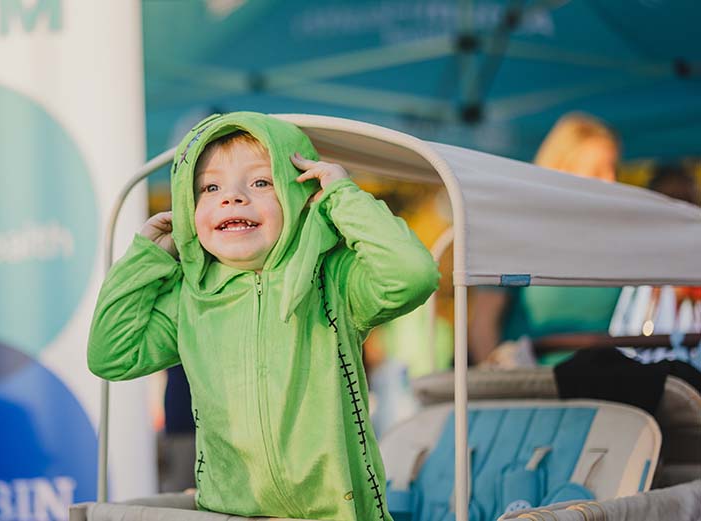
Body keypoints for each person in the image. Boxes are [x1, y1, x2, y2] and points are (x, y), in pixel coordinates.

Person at [88, 112, 438, 520]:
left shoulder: (332, 279)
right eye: (209, 187)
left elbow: (413, 275)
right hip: (230, 514)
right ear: (188, 209)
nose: (232, 197)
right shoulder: (191, 300)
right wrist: (147, 257)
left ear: (299, 195)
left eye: (261, 182)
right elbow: (111, 354)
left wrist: (342, 195)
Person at [469, 112, 623, 366]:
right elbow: (483, 325)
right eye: (597, 171)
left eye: (613, 168)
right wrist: (500, 387)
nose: (611, 180)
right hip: (533, 390)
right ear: (560, 169)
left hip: (610, 388)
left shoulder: (623, 243)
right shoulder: (513, 235)